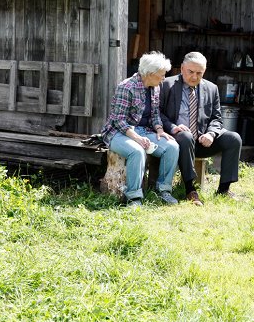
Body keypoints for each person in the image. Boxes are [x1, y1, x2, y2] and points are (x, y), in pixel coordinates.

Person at [160, 51, 242, 206]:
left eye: (199, 73)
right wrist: (173, 127)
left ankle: (224, 189)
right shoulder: (167, 85)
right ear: (182, 68)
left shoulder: (212, 88)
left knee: (233, 138)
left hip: (202, 140)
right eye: (191, 72)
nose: (194, 77)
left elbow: (216, 118)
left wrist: (211, 134)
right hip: (177, 141)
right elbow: (157, 114)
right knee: (185, 136)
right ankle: (190, 190)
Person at [101, 51, 180, 207]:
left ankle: (163, 190)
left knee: (172, 147)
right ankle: (134, 197)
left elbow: (155, 113)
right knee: (137, 151)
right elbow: (118, 120)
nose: (164, 78)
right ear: (150, 74)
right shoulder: (126, 87)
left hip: (144, 131)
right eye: (162, 75)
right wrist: (136, 138)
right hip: (118, 132)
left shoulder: (155, 87)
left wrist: (159, 130)